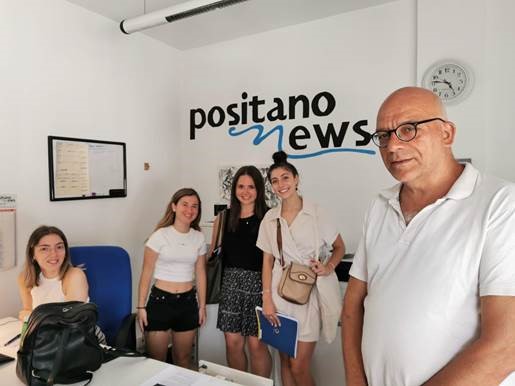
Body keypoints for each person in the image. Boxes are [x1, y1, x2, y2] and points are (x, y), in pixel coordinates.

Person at [342, 87, 515, 386]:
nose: (392, 146)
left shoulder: (500, 204)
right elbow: (353, 306)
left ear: (447, 134)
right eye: (383, 136)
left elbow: (506, 345)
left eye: (408, 130)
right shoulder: (380, 205)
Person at [257, 151, 345, 386]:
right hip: (279, 294)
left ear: (296, 179)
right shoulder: (269, 218)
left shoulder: (316, 213)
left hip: (308, 295)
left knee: (299, 366)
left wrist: (328, 267)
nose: (280, 185)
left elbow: (339, 247)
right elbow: (267, 261)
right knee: (285, 360)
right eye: (275, 181)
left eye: (285, 178)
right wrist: (267, 299)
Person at [208, 166, 272, 377]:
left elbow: (272, 260)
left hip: (259, 286)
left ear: (259, 189)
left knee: (257, 345)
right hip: (230, 285)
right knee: (233, 343)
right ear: (234, 188)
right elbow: (212, 254)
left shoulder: (269, 218)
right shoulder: (223, 218)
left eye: (251, 187)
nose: (245, 191)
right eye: (241, 186)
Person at [137, 188, 207, 369]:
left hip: (187, 302)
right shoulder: (159, 236)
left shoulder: (198, 238)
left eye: (194, 206)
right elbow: (146, 273)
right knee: (156, 363)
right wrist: (141, 307)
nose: (189, 210)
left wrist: (202, 306)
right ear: (174, 206)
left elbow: (200, 273)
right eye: (184, 204)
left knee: (183, 360)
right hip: (160, 301)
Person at [18, 225, 89, 321]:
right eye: (44, 249)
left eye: (59, 247)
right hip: (44, 332)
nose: (54, 254)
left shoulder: (75, 275)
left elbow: (71, 320)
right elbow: (26, 312)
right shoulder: (25, 278)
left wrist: (33, 317)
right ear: (32, 254)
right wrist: (30, 317)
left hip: (77, 333)